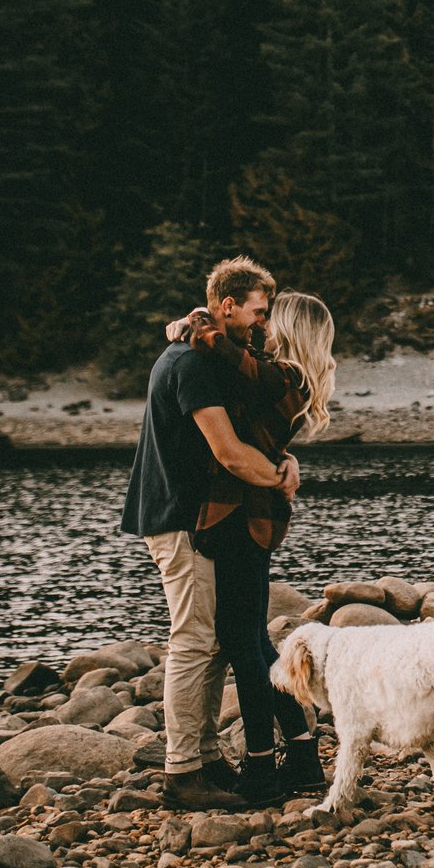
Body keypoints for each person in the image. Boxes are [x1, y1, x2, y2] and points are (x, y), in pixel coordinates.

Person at [120, 255, 298, 810]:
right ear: (228, 306)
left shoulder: (204, 354)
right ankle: (181, 773)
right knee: (193, 640)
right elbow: (226, 449)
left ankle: (207, 758)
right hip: (177, 518)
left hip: (194, 519)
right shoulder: (189, 366)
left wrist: (283, 459)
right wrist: (280, 481)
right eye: (257, 311)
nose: (263, 324)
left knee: (215, 639)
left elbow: (250, 421)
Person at [173, 290, 335, 804]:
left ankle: (262, 770)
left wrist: (196, 326)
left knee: (243, 646)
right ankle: (304, 755)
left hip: (246, 519)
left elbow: (231, 356)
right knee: (255, 643)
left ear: (289, 327)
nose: (262, 325)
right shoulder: (284, 372)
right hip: (253, 518)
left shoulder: (282, 375)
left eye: (270, 317)